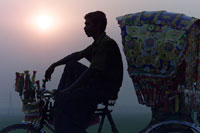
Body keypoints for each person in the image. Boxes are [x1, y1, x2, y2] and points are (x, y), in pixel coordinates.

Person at [45, 11, 123, 133]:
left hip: (103, 90)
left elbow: (92, 72)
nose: (84, 27)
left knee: (63, 103)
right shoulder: (97, 44)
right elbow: (77, 55)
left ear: (97, 26)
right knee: (71, 64)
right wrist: (54, 65)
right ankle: (63, 97)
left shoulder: (106, 44)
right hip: (97, 84)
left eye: (87, 24)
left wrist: (69, 90)